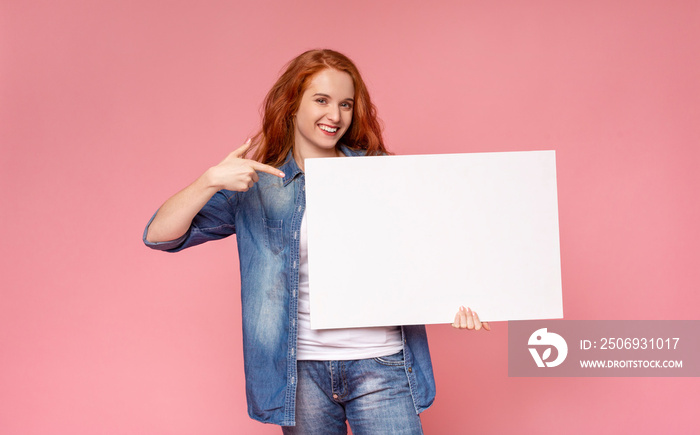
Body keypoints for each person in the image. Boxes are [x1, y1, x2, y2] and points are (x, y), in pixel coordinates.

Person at [143, 49, 490, 434]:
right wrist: (209, 180)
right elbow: (159, 236)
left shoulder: (383, 175)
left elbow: (430, 252)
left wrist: (463, 299)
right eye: (321, 100)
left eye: (345, 104)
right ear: (292, 105)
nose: (335, 116)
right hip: (300, 376)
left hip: (382, 363)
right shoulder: (257, 185)